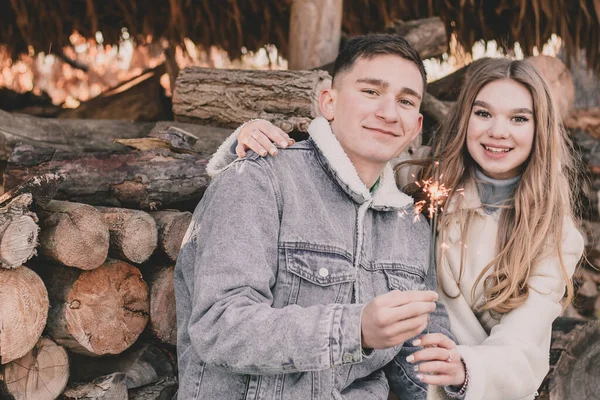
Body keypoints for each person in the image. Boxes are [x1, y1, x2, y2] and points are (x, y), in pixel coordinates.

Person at [217, 57, 584, 400]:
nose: (498, 132)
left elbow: (522, 344)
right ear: (465, 119)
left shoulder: (552, 233)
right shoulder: (421, 189)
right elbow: (345, 168)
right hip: (398, 378)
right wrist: (248, 138)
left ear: (541, 129)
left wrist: (466, 368)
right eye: (483, 113)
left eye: (519, 119)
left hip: (478, 386)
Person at [174, 34, 459, 400]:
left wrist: (453, 379)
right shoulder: (261, 180)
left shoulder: (411, 224)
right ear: (329, 102)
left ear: (416, 126)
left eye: (405, 101)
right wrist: (354, 329)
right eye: (371, 91)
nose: (389, 113)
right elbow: (219, 326)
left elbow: (422, 364)